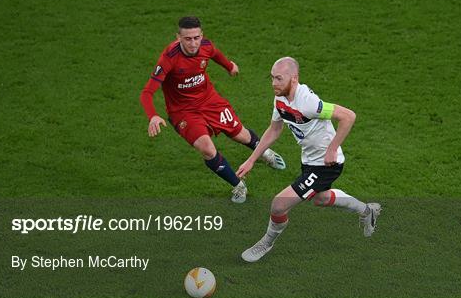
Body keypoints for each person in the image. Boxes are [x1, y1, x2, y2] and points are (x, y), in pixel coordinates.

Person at [236, 57, 381, 262]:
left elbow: (348, 116)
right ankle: (367, 211)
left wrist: (332, 149)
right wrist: (251, 159)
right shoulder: (280, 98)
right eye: (272, 78)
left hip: (326, 164)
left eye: (279, 78)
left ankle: (265, 244)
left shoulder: (308, 102)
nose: (273, 83)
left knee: (278, 205)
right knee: (321, 199)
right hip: (309, 160)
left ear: (293, 79)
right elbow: (274, 129)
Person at [140, 16, 285, 203]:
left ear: (202, 35)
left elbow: (215, 54)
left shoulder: (205, 46)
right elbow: (147, 92)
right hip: (183, 111)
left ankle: (264, 152)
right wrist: (152, 116)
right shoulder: (169, 58)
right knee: (207, 149)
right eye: (188, 39)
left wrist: (229, 66)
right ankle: (238, 186)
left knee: (240, 135)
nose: (193, 43)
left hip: (210, 101)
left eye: (196, 37)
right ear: (178, 37)